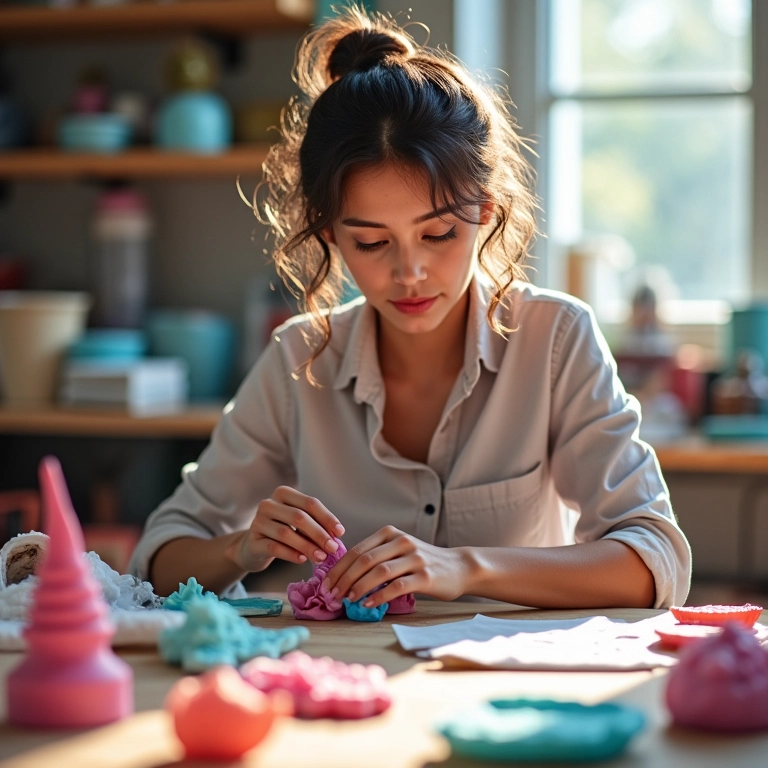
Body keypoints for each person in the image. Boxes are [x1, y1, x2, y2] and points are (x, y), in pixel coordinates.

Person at [129, 6, 691, 610]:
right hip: (350, 684)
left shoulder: (555, 339)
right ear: (329, 237)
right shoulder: (299, 358)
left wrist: (464, 568)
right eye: (371, 243)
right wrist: (240, 549)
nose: (410, 272)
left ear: (486, 211)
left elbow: (653, 558)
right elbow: (154, 560)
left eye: (440, 233)